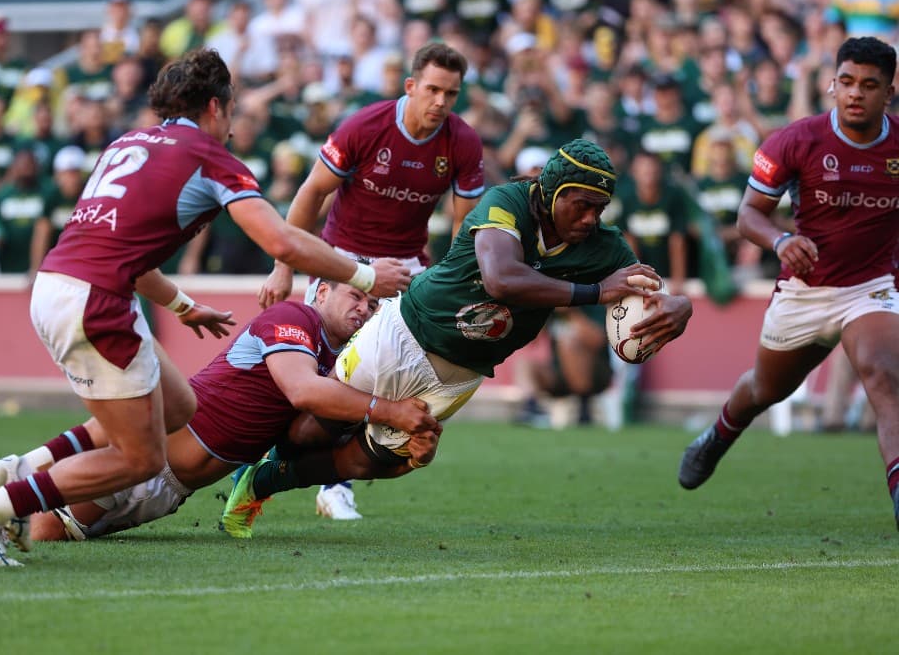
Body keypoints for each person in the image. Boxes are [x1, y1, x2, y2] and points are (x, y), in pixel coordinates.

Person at [0, 48, 412, 567]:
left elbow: (128, 253)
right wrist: (366, 274)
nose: (231, 125)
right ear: (216, 105)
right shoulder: (208, 156)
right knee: (142, 458)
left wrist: (185, 306)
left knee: (179, 405)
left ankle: (26, 463)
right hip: (97, 298)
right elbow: (282, 241)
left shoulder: (128, 142)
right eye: (230, 111)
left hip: (59, 282)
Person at [222, 139, 694, 536]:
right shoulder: (507, 202)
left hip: (461, 373)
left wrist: (679, 306)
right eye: (582, 204)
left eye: (600, 207)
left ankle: (262, 484)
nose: (592, 217)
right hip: (406, 331)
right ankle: (246, 460)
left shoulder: (603, 246)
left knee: (368, 461)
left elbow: (644, 292)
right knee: (314, 428)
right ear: (552, 192)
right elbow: (500, 278)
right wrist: (595, 291)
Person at [0, 281, 439, 543]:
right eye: (354, 294)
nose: (364, 308)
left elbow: (302, 428)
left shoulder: (334, 360)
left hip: (171, 490)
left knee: (32, 527)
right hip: (150, 458)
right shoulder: (293, 317)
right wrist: (389, 410)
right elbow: (301, 393)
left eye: (372, 305)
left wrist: (398, 448)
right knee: (32, 530)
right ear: (320, 290)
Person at [677, 38, 899, 530]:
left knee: (885, 376)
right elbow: (747, 216)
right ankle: (717, 436)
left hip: (871, 287)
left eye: (869, 85)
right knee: (764, 389)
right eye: (846, 82)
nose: (855, 94)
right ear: (831, 85)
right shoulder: (796, 140)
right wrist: (780, 242)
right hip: (804, 289)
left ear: (889, 92)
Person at [258, 41, 486, 520]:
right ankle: (290, 469)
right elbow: (311, 192)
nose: (441, 102)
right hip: (343, 260)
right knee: (331, 377)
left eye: (451, 93)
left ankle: (343, 477)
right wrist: (284, 265)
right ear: (410, 86)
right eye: (432, 90)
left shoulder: (462, 142)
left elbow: (468, 230)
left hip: (407, 269)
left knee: (395, 382)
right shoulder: (365, 126)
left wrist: (461, 285)